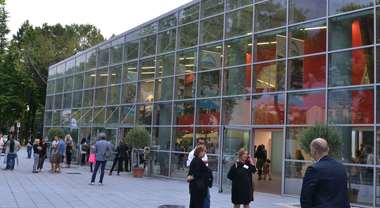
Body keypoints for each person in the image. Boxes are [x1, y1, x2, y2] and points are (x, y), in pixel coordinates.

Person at [300, 138, 350, 208]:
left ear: (314, 151)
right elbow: (344, 194)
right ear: (328, 149)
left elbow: (305, 198)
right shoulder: (341, 167)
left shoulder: (313, 169)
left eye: (311, 150)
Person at [186, 138, 210, 208]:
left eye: (203, 142)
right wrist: (191, 177)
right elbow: (196, 172)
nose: (204, 153)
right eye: (203, 152)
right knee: (197, 202)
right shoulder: (196, 159)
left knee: (203, 200)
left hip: (199, 185)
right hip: (198, 186)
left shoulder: (198, 160)